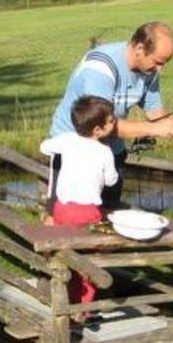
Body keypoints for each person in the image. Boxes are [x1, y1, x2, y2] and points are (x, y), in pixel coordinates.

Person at [47, 21, 173, 213]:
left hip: (110, 151)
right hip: (74, 151)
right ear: (140, 48)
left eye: (164, 64)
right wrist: (155, 129)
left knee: (107, 215)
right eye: (158, 62)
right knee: (60, 217)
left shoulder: (149, 71)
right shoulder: (100, 68)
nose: (160, 69)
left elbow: (155, 113)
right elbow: (100, 125)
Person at [40, 95, 118, 307]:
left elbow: (44, 147)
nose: (115, 122)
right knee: (89, 260)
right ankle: (82, 309)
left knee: (64, 252)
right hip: (87, 212)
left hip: (62, 209)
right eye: (111, 120)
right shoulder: (105, 151)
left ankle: (62, 297)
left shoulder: (67, 140)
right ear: (97, 130)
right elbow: (111, 181)